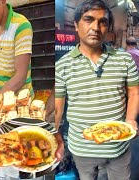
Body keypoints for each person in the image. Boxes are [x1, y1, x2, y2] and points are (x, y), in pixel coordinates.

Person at [55, 1, 139, 180]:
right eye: (89, 19)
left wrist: (131, 119)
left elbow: (134, 92)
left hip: (118, 145)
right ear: (76, 25)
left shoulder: (124, 60)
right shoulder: (62, 66)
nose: (96, 27)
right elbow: (58, 106)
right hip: (82, 148)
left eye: (102, 22)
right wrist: (56, 134)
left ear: (108, 28)